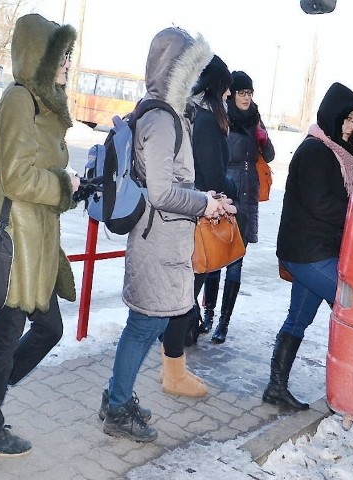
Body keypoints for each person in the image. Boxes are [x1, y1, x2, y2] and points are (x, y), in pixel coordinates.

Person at [99, 28, 232, 443]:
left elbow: (169, 182)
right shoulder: (160, 119)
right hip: (156, 244)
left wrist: (202, 195)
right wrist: (203, 204)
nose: (195, 84)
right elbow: (160, 191)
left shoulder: (163, 115)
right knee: (141, 327)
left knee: (146, 326)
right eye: (189, 71)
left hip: (162, 241)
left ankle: (116, 398)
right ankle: (117, 407)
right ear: (176, 72)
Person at [0, 14, 80, 457]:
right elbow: (16, 178)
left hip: (38, 240)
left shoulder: (43, 103)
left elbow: (38, 171)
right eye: (61, 55)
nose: (67, 64)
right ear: (41, 55)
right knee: (9, 329)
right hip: (17, 241)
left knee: (47, 328)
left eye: (69, 56)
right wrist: (61, 184)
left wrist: (68, 188)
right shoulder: (19, 100)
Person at [262, 82, 353, 410]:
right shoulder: (316, 152)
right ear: (332, 116)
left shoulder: (335, 153)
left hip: (313, 252)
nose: (350, 128)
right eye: (346, 119)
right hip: (308, 254)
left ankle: (275, 388)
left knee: (298, 320)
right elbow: (323, 205)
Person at [201, 71, 275, 344]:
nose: (247, 98)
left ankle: (224, 321)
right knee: (215, 259)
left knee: (235, 261)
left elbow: (269, 155)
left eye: (250, 93)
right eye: (243, 93)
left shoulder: (255, 118)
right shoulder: (223, 118)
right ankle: (208, 313)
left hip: (248, 195)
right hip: (227, 192)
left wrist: (262, 137)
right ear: (232, 94)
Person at [177, 54, 237, 346]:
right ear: (216, 87)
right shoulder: (208, 121)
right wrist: (233, 187)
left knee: (188, 277)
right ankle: (177, 341)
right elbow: (213, 176)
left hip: (188, 206)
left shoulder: (190, 113)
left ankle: (178, 335)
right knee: (194, 277)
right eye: (226, 87)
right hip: (202, 210)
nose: (229, 93)